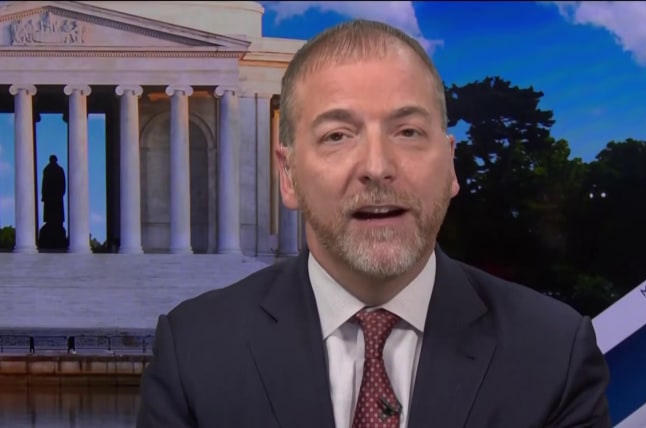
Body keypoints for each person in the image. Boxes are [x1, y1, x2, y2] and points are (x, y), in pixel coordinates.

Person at [136, 19, 611, 428]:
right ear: (288, 175)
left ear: (450, 165)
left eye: (408, 132)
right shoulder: (194, 354)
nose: (377, 167)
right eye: (338, 136)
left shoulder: (555, 354)